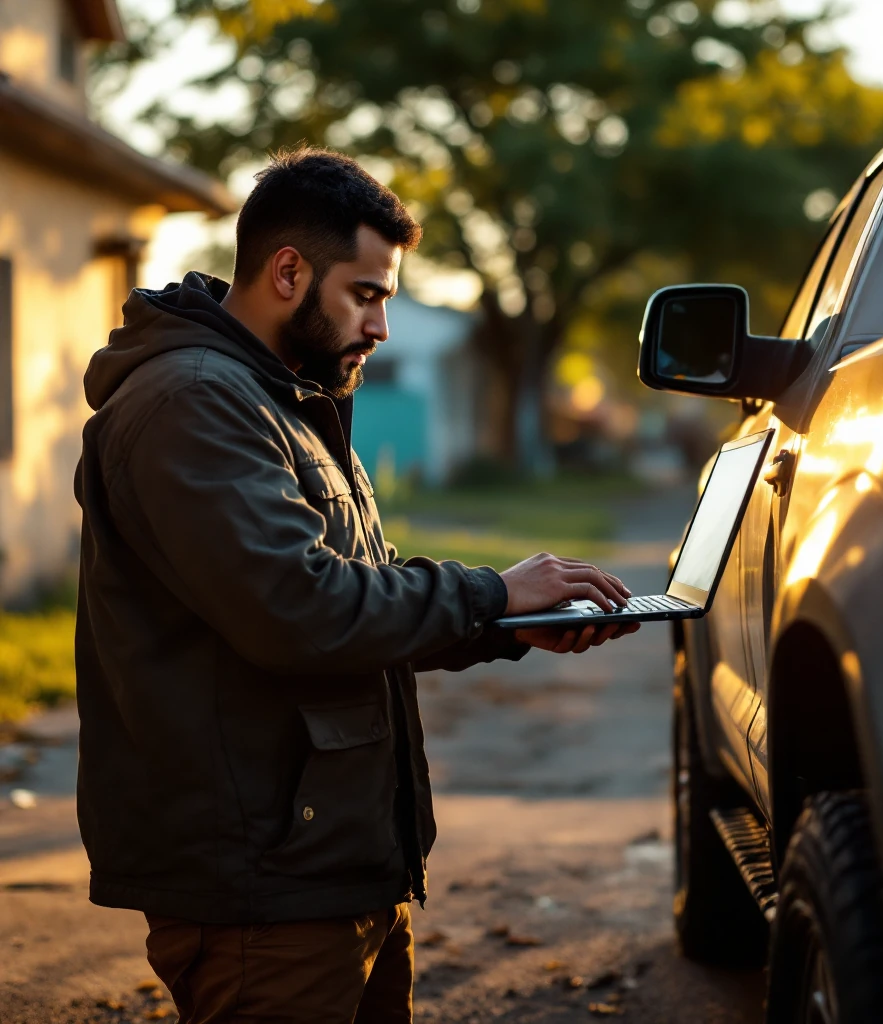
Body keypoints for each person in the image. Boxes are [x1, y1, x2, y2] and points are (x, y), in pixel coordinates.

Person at [74, 146, 639, 1024]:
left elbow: (351, 600)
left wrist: (502, 627)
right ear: (289, 272)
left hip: (332, 865)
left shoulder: (279, 402)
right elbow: (300, 612)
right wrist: (490, 593)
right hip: (262, 887)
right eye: (366, 295)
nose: (380, 327)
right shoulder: (192, 403)